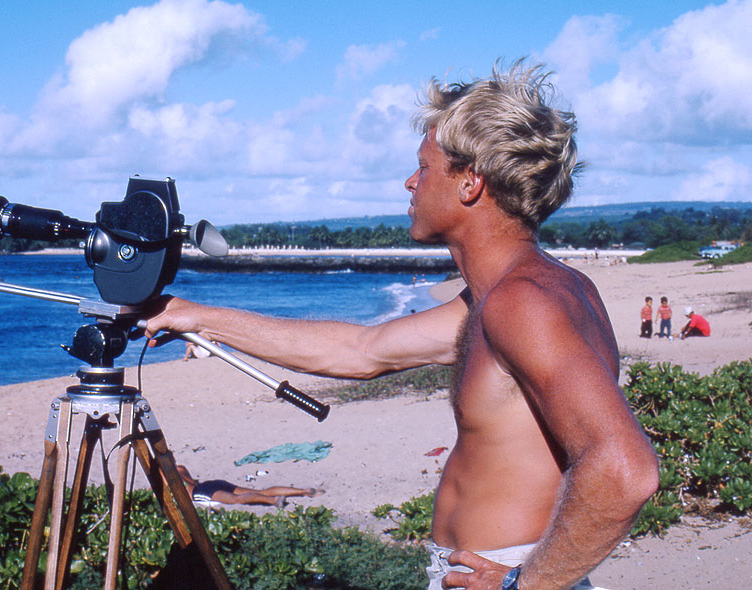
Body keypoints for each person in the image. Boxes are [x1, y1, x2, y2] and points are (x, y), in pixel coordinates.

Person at [146, 61, 658, 590]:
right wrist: (196, 315)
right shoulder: (500, 298)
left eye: (425, 167)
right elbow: (363, 350)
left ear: (470, 183)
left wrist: (524, 584)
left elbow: (626, 468)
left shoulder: (525, 303)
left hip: (511, 571)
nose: (410, 182)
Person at [174, 464, 323, 507]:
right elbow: (190, 480)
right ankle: (304, 491)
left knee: (236, 499)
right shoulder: (180, 468)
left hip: (200, 491)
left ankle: (274, 501)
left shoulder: (164, 478)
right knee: (261, 491)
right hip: (212, 483)